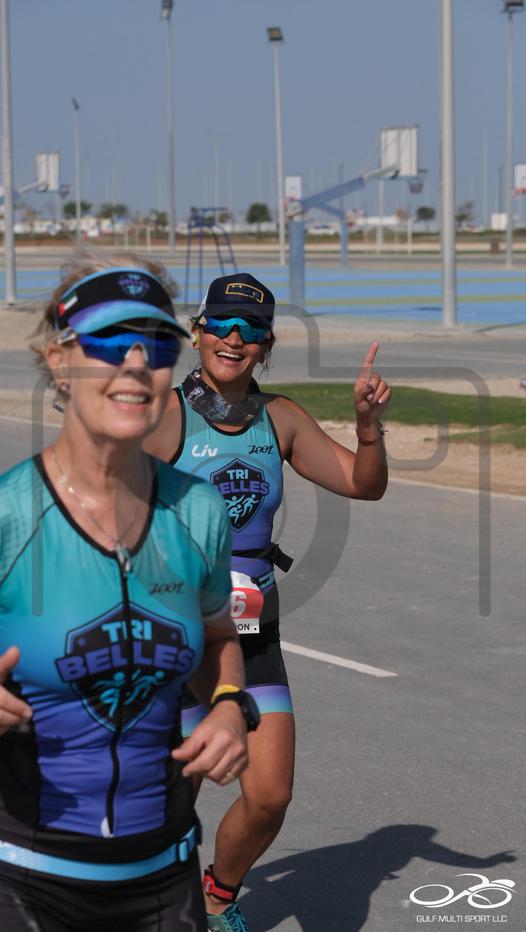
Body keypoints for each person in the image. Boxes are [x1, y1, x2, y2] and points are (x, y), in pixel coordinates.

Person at [0, 255, 260, 932]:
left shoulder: (199, 511)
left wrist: (229, 705)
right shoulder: (9, 515)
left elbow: (219, 637)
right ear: (59, 361)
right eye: (112, 341)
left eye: (158, 345)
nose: (138, 364)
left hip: (165, 883)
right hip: (24, 882)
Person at [144, 271, 391, 932]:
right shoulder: (166, 417)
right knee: (167, 805)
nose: (234, 338)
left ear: (267, 345)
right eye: (221, 324)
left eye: (251, 329)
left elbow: (362, 484)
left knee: (270, 795)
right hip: (172, 635)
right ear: (197, 332)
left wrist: (369, 429)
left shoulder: (279, 419)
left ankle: (216, 901)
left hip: (252, 633)